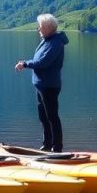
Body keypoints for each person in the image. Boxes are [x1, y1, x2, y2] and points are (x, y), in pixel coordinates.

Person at [15, 13, 69, 152]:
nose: (38, 29)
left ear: (47, 27)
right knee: (43, 116)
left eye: (40, 27)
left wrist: (25, 64)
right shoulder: (47, 39)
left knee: (52, 116)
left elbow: (43, 62)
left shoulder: (56, 42)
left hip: (49, 86)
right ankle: (47, 144)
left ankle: (57, 147)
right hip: (41, 85)